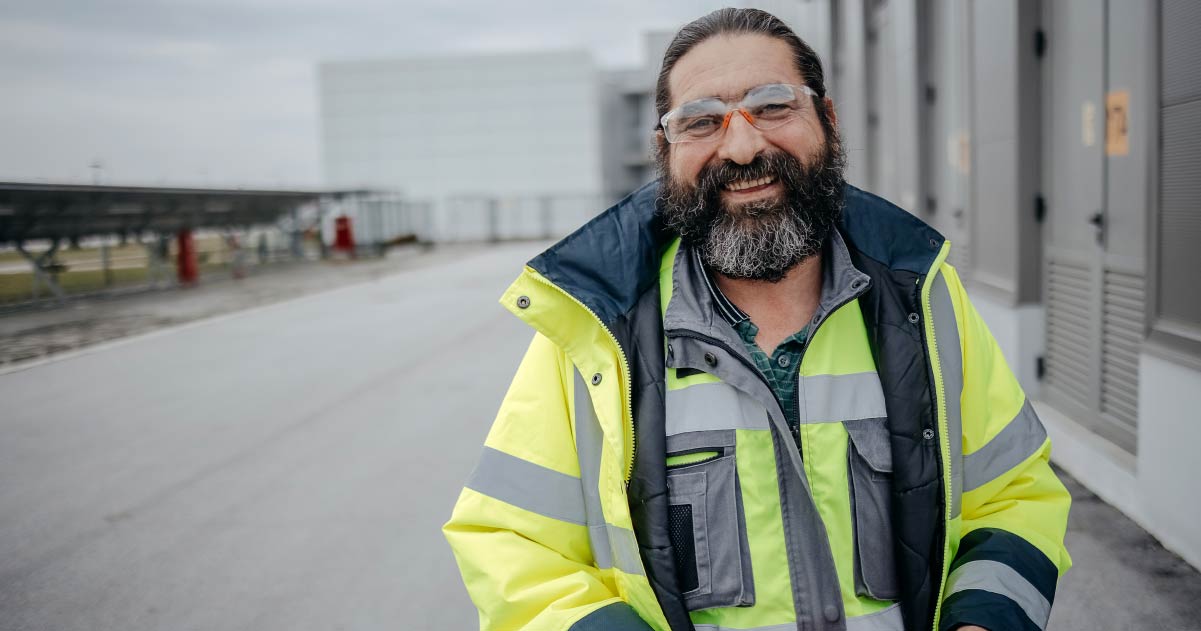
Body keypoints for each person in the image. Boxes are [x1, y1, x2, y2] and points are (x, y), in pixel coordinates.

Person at [444, 8, 1071, 631]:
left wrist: (984, 622)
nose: (742, 147)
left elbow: (1013, 495)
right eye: (701, 122)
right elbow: (514, 546)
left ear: (826, 119)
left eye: (773, 106)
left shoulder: (924, 302)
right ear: (665, 150)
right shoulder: (597, 336)